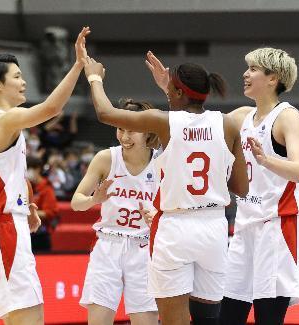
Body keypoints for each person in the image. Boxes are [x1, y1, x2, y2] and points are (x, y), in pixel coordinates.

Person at [83, 54, 248, 325]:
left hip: (175, 228)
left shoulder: (164, 121)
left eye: (171, 88)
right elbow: (241, 187)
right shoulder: (228, 124)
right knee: (207, 319)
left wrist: (94, 77)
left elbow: (105, 113)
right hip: (214, 227)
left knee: (174, 321)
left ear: (179, 92)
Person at [0, 26, 90, 324]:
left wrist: (28, 205)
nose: (24, 82)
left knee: (27, 317)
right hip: (3, 228)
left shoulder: (6, 124)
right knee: (28, 319)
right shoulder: (3, 120)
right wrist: (78, 65)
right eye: (16, 76)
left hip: (9, 225)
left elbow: (8, 173)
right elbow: (52, 107)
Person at [219, 48, 299, 325]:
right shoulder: (243, 115)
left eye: (254, 69)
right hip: (245, 227)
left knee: (268, 317)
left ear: (273, 78)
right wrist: (172, 90)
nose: (245, 74)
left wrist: (264, 159)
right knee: (228, 314)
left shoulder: (287, 116)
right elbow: (198, 125)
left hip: (277, 227)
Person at [71, 98, 160, 325]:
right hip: (108, 246)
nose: (125, 137)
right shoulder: (105, 158)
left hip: (145, 248)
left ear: (147, 132)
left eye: (132, 131)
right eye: (121, 129)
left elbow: (176, 207)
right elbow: (76, 202)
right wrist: (94, 199)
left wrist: (159, 218)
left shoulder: (162, 162)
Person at [26, 155, 59, 251]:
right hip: (24, 233)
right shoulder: (24, 186)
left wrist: (26, 211)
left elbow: (50, 212)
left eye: (29, 169)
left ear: (38, 169)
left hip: (39, 235)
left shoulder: (46, 188)